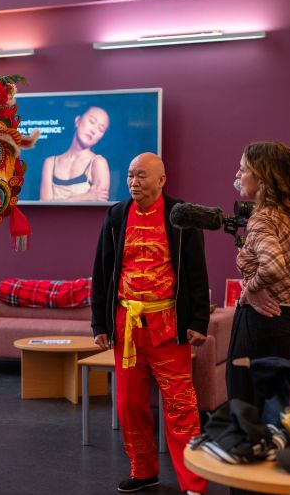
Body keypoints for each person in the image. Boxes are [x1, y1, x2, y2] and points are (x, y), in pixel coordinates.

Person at [91, 152, 209, 495]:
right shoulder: (116, 215)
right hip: (127, 325)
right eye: (129, 175)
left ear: (161, 180)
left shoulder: (181, 215)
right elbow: (102, 272)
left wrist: (198, 319)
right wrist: (100, 323)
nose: (133, 182)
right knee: (129, 404)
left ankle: (193, 483)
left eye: (141, 176)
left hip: (169, 326)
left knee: (181, 407)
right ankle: (143, 471)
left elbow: (197, 273)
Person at [227, 141, 290, 408]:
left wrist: (252, 289)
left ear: (263, 177)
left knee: (244, 413)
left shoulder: (263, 218)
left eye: (243, 169)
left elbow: (272, 266)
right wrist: (286, 291)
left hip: (257, 327)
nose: (237, 175)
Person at [40, 106, 111, 202]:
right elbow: (44, 207)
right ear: (77, 121)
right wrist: (86, 197)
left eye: (101, 129)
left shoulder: (98, 163)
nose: (94, 130)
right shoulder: (50, 163)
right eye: (92, 122)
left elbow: (99, 209)